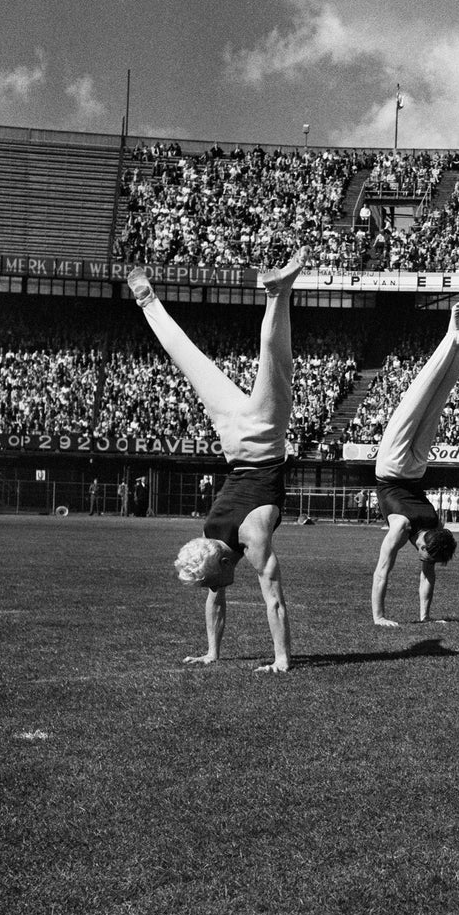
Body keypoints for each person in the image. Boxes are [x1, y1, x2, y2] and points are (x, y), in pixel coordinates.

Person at [127, 253, 301, 674]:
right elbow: (220, 595)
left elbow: (274, 599)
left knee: (276, 365)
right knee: (190, 361)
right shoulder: (209, 538)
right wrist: (212, 653)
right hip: (232, 438)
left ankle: (277, 294)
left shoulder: (252, 537)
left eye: (209, 581)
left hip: (260, 435)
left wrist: (282, 660)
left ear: (224, 562)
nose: (211, 590)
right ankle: (148, 301)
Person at [371, 298, 459, 627]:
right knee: (426, 395)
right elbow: (382, 570)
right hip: (401, 467)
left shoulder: (431, 532)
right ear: (426, 544)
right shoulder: (410, 528)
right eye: (427, 558)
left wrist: (425, 617)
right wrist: (379, 618)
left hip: (403, 468)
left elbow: (427, 576)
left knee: (429, 398)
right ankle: (457, 339)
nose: (424, 564)